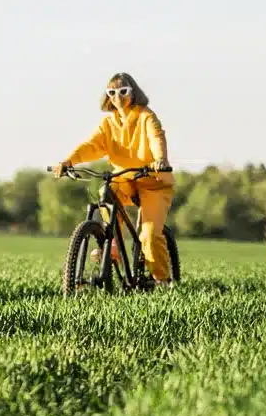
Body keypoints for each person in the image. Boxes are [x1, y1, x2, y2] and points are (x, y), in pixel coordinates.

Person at [51, 72, 175, 285]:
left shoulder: (146, 116)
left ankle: (162, 280)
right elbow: (91, 145)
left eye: (123, 91)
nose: (118, 96)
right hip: (124, 179)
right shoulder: (108, 124)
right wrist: (68, 161)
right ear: (107, 96)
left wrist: (160, 159)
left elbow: (156, 137)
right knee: (106, 195)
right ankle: (111, 247)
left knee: (150, 235)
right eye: (112, 92)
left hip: (153, 180)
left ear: (133, 92)